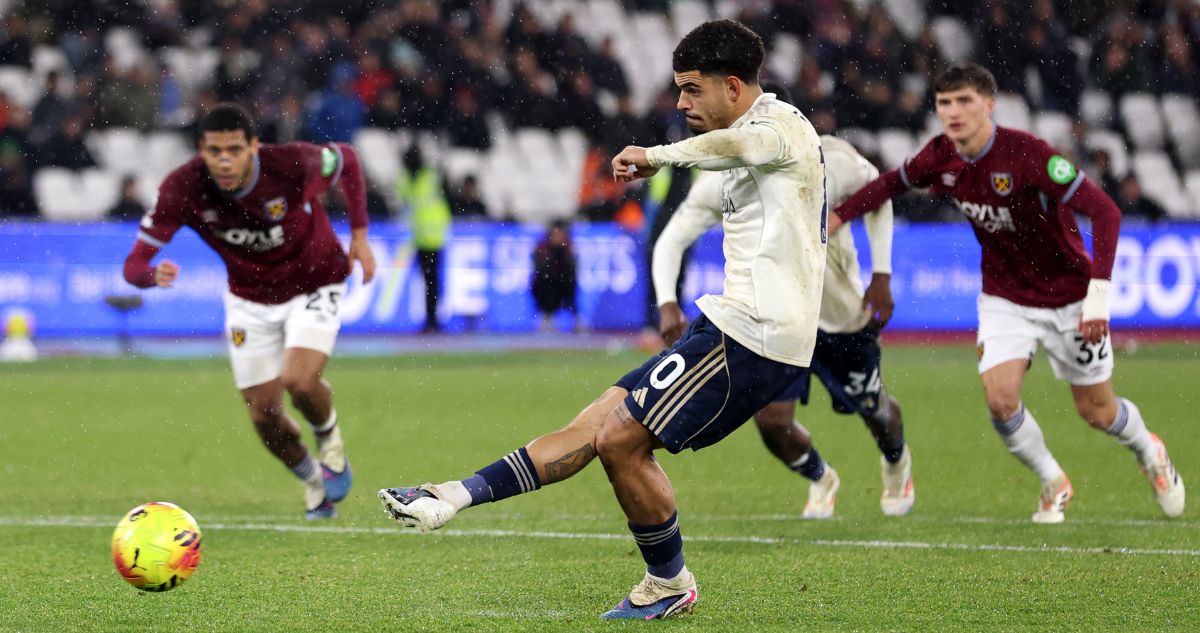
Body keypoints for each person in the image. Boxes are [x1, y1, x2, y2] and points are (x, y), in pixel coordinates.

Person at [379, 20, 827, 619]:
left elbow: (738, 148)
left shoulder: (780, 129)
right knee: (598, 420)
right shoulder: (736, 141)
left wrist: (656, 157)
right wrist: (666, 291)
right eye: (679, 88)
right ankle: (450, 497)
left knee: (620, 440)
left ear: (737, 87)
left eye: (693, 89)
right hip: (726, 323)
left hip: (758, 334)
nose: (681, 101)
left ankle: (669, 582)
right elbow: (685, 219)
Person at [830, 63, 1184, 523]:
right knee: (1000, 400)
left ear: (989, 104)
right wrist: (840, 215)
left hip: (1071, 296)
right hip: (1005, 298)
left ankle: (1149, 451)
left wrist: (1098, 298)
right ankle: (1053, 481)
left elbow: (1106, 213)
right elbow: (891, 183)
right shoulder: (941, 155)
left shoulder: (1029, 155)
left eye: (964, 101)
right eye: (944, 103)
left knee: (1097, 411)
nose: (953, 112)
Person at [122, 103, 376, 519]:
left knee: (299, 379)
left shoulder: (292, 163)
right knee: (264, 417)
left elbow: (347, 157)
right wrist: (152, 276)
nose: (225, 160)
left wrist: (360, 236)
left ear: (254, 147)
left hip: (315, 278)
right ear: (201, 150)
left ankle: (330, 443)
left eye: (235, 149)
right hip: (249, 299)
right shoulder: (183, 187)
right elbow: (132, 267)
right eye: (215, 150)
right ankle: (315, 482)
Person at [654, 113, 911, 518]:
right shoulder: (722, 177)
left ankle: (896, 458)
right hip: (773, 319)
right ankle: (821, 476)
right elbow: (672, 238)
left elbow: (879, 196)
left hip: (838, 315)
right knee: (772, 422)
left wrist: (881, 273)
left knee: (874, 410)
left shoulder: (835, 161)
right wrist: (667, 301)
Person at [395, 147, 450, 333]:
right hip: (421, 238)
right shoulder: (424, 177)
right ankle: (431, 319)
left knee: (431, 281)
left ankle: (432, 319)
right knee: (429, 281)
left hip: (433, 238)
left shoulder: (427, 177)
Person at [530, 219, 579, 332]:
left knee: (570, 283)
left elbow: (572, 270)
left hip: (564, 284)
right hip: (547, 284)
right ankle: (547, 316)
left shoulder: (568, 249)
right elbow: (540, 270)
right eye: (555, 234)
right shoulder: (542, 248)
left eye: (560, 233)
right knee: (546, 285)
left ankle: (575, 319)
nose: (558, 237)